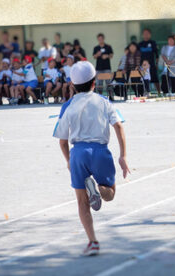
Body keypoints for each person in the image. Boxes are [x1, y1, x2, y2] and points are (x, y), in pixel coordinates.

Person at [53, 61, 130, 256]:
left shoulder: (67, 106)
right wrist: (123, 156)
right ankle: (98, 188)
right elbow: (119, 126)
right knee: (110, 194)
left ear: (72, 86)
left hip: (78, 153)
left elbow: (62, 142)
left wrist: (69, 161)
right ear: (94, 83)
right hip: (100, 152)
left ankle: (92, 242)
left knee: (82, 202)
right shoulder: (104, 101)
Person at [138, 29, 161, 95]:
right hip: (142, 66)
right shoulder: (140, 44)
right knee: (144, 79)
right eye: (144, 34)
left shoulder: (153, 43)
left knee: (155, 79)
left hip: (152, 64)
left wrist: (156, 64)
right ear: (142, 35)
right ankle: (146, 92)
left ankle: (159, 92)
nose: (146, 35)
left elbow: (156, 55)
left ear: (150, 34)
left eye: (147, 33)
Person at [92, 33, 114, 100]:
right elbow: (94, 56)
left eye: (101, 39)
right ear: (98, 39)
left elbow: (111, 55)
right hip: (99, 68)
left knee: (108, 83)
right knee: (99, 83)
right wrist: (97, 54)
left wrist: (106, 56)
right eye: (99, 39)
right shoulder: (96, 48)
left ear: (103, 39)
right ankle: (100, 97)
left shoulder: (108, 46)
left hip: (107, 67)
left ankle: (111, 96)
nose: (100, 40)